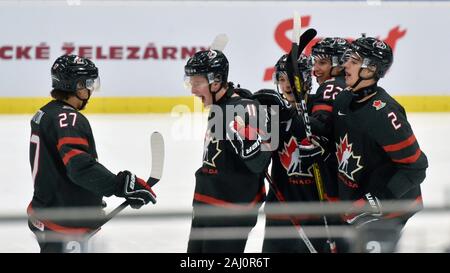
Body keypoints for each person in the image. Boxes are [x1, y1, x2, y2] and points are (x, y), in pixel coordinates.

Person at [28, 54, 157, 253]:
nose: (90, 90)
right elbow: (79, 167)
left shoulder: (46, 112)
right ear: (75, 85)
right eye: (87, 84)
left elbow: (58, 166)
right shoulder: (69, 118)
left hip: (47, 210)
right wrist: (121, 185)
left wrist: (89, 195)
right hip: (63, 224)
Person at [334, 36, 428, 252]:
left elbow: (416, 168)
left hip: (388, 211)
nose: (345, 64)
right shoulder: (344, 99)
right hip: (357, 201)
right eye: (348, 58)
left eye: (354, 61)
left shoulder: (385, 114)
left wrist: (374, 202)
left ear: (370, 70)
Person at [184, 49, 271, 253]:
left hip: (230, 213)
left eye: (197, 83)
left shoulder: (242, 109)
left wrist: (249, 140)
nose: (192, 90)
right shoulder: (222, 106)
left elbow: (259, 163)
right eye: (191, 83)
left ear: (216, 82)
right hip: (206, 203)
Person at [253, 54, 336, 252]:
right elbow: (260, 157)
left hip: (316, 211)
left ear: (307, 78)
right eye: (281, 79)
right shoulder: (274, 112)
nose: (286, 85)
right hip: (280, 210)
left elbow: (325, 133)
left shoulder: (321, 106)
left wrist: (291, 115)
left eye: (292, 79)